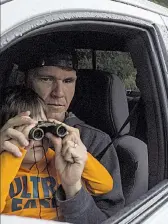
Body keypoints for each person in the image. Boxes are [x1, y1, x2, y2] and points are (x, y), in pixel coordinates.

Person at [0, 48, 125, 223]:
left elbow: (110, 217)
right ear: (24, 81)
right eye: (46, 79)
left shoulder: (95, 141)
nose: (58, 92)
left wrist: (73, 187)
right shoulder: (3, 132)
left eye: (68, 81)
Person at [0, 86, 113, 220]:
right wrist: (12, 154)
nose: (35, 139)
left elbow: (104, 186)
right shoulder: (4, 164)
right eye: (23, 131)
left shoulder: (58, 160)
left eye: (40, 129)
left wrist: (81, 154)